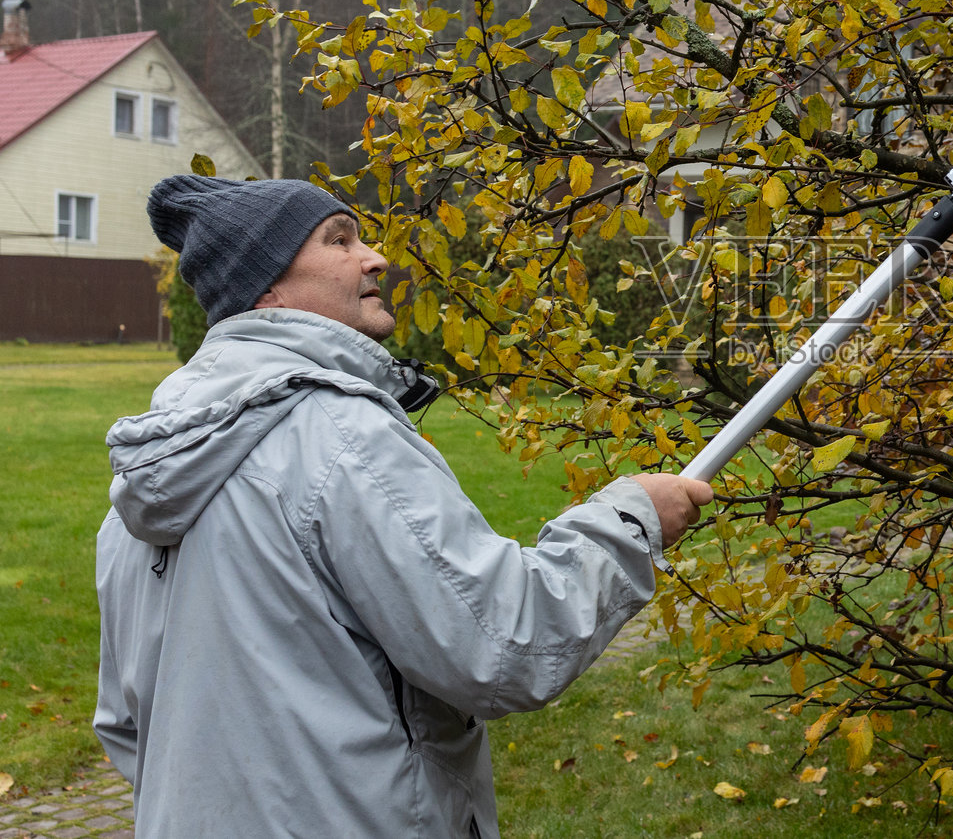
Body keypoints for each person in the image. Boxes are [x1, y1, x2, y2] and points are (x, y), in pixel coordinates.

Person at [95, 175, 713, 838]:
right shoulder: (341, 438)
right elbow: (502, 643)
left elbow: (126, 726)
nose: (376, 256)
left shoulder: (145, 476)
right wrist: (630, 520)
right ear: (267, 286)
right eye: (340, 241)